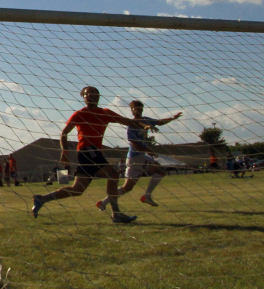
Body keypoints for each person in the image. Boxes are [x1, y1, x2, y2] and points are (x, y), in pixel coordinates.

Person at [31, 86, 155, 224]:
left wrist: (144, 126)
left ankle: (41, 199)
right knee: (113, 175)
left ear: (99, 96)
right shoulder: (79, 114)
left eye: (94, 93)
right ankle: (116, 214)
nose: (91, 95)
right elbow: (64, 133)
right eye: (87, 93)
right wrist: (65, 152)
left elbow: (128, 121)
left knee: (78, 189)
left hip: (91, 152)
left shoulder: (105, 113)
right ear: (83, 97)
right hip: (87, 150)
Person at [96, 100, 182, 209]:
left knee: (127, 188)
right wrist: (148, 151)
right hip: (136, 157)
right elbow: (134, 144)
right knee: (159, 170)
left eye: (140, 108)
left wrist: (173, 118)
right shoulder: (131, 125)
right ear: (131, 110)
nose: (138, 110)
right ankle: (147, 195)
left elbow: (160, 122)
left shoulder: (146, 120)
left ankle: (103, 203)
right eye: (135, 108)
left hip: (134, 159)